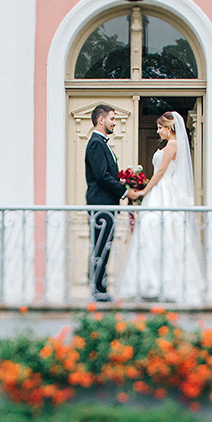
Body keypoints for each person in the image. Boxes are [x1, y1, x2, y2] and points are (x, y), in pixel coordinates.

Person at [116, 111, 204, 303]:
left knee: (159, 231)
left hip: (164, 191)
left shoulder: (173, 144)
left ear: (170, 127)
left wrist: (143, 191)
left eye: (160, 127)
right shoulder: (168, 145)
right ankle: (150, 282)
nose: (158, 131)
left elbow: (161, 171)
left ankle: (164, 283)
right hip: (159, 190)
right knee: (152, 234)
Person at [85, 104, 140, 301]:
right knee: (100, 245)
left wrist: (122, 181)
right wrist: (125, 192)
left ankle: (100, 286)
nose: (114, 122)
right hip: (101, 204)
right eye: (112, 118)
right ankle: (98, 290)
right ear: (101, 120)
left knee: (104, 245)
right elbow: (101, 176)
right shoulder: (96, 143)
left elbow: (107, 175)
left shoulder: (101, 143)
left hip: (107, 203)